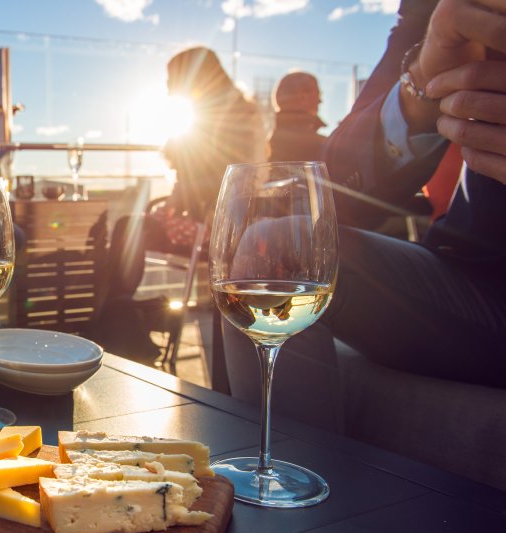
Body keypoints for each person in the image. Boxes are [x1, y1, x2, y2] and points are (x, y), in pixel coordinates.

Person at [222, 0, 506, 433]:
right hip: (478, 274)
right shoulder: (442, 12)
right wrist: (421, 90)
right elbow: (341, 181)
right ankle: (279, 475)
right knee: (268, 250)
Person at [161, 46, 266, 224]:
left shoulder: (219, 119)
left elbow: (230, 180)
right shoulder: (226, 113)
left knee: (131, 230)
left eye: (172, 76)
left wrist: (175, 206)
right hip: (209, 216)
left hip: (217, 221)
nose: (167, 84)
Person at [268, 71, 327, 162]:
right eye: (318, 94)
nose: (320, 100)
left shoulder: (266, 140)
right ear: (302, 96)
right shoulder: (323, 146)